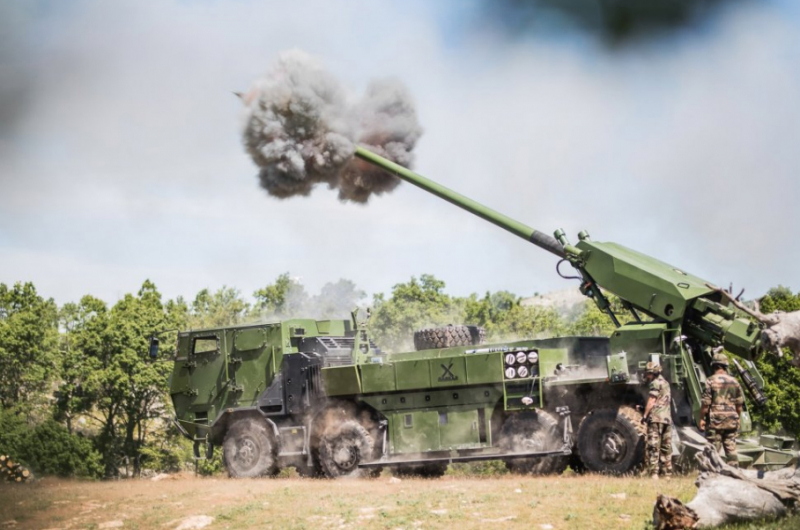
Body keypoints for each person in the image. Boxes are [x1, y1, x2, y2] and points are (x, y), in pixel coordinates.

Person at [700, 352, 744, 467]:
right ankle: (734, 472)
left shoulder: (710, 381)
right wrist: (738, 418)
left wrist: (701, 418)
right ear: (725, 366)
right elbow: (739, 404)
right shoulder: (735, 381)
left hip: (715, 420)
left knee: (713, 449)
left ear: (714, 366)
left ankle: (712, 472)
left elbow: (705, 404)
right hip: (731, 419)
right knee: (731, 448)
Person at [642, 361, 672, 479]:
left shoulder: (655, 383)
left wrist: (645, 415)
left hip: (655, 418)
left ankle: (654, 474)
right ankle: (667, 474)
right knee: (666, 447)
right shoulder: (666, 383)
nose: (647, 376)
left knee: (653, 446)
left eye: (648, 373)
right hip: (667, 419)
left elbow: (652, 401)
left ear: (653, 373)